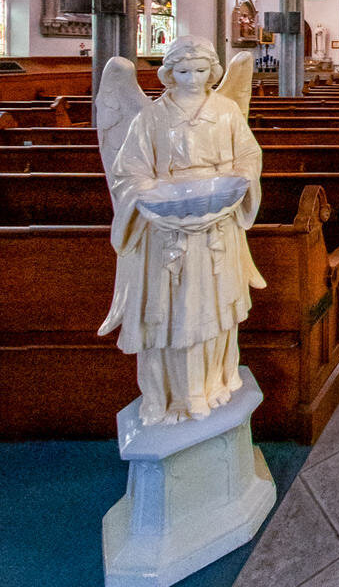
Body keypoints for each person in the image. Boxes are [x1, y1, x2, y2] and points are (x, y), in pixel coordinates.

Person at [99, 37, 264, 424]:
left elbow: (249, 156)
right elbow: (129, 172)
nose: (193, 79)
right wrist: (151, 197)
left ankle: (218, 380)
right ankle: (168, 394)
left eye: (201, 71)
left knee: (214, 305)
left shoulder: (225, 111)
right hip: (165, 231)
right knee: (170, 311)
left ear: (213, 73)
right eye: (184, 71)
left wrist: (237, 182)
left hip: (216, 227)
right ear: (170, 73)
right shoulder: (150, 117)